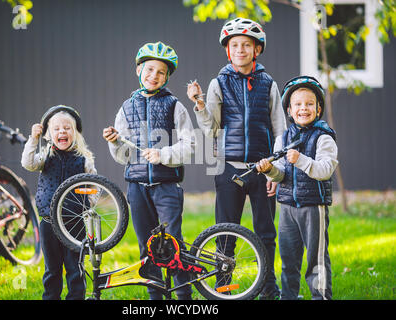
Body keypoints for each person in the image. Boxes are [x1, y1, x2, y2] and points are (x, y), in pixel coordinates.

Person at [187, 18, 286, 299]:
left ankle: (268, 287)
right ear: (227, 51)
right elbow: (212, 128)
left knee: (266, 231)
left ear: (257, 50)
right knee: (226, 231)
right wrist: (199, 106)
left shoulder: (269, 84)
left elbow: (280, 128)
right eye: (235, 45)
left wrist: (276, 170)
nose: (240, 49)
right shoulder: (218, 83)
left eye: (246, 45)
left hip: (263, 168)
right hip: (229, 169)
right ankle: (224, 286)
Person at [103, 41, 195, 300]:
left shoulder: (175, 105)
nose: (154, 76)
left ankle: (183, 297)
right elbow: (123, 157)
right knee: (148, 247)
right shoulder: (126, 107)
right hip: (137, 187)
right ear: (138, 70)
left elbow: (190, 144)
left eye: (161, 72)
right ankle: (156, 298)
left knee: (171, 245)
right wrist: (115, 142)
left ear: (167, 77)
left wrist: (163, 154)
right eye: (149, 69)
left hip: (167, 186)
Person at [256, 75, 338, 300]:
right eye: (298, 104)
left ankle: (320, 296)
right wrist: (268, 170)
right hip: (287, 207)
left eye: (310, 104)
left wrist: (300, 159)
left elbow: (325, 170)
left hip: (313, 207)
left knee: (316, 258)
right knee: (289, 259)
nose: (304, 108)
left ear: (318, 109)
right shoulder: (283, 138)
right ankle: (289, 296)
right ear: (290, 111)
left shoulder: (324, 138)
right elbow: (280, 173)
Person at [21, 105, 97, 300]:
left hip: (75, 222)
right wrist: (34, 139)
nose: (62, 131)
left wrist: (89, 205)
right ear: (49, 134)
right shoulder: (45, 156)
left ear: (75, 133)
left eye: (67, 128)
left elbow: (94, 186)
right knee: (52, 269)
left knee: (75, 268)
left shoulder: (84, 160)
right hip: (49, 221)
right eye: (56, 129)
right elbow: (27, 163)